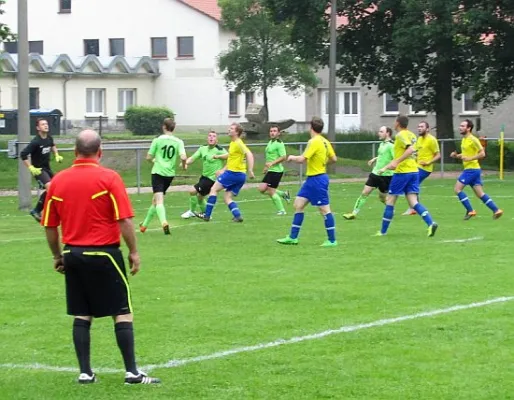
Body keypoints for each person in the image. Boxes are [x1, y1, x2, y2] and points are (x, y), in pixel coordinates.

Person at [41, 129, 160, 385]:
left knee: (82, 313)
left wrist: (56, 256)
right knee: (122, 311)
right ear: (100, 152)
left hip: (73, 253)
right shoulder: (109, 178)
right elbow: (124, 220)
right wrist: (134, 252)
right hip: (104, 253)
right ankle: (132, 373)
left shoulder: (57, 182)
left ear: (74, 152)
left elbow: (50, 226)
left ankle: (85, 373)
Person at [277, 117, 338, 247]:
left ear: (311, 127)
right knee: (298, 204)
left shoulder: (314, 141)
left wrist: (292, 157)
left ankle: (332, 240)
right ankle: (293, 237)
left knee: (324, 209)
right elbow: (334, 158)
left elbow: (302, 159)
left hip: (318, 179)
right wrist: (323, 163)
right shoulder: (325, 141)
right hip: (312, 179)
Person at [376, 114, 438, 237]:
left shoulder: (401, 135)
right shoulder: (412, 135)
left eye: (395, 121)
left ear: (398, 123)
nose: (394, 124)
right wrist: (386, 167)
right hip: (414, 170)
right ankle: (431, 223)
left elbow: (409, 150)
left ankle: (382, 232)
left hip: (403, 172)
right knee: (413, 201)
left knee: (390, 200)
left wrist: (397, 162)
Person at [197, 123, 255, 222]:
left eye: (231, 128)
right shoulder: (233, 143)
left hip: (233, 173)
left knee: (213, 189)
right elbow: (231, 156)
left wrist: (250, 169)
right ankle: (237, 216)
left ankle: (207, 215)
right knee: (227, 197)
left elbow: (249, 154)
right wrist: (219, 158)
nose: (229, 129)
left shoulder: (238, 143)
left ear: (237, 132)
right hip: (241, 176)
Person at [139, 118, 186, 234]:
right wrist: (184, 165)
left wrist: (155, 161)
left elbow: (148, 157)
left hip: (158, 172)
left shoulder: (157, 140)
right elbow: (184, 157)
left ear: (164, 127)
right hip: (169, 174)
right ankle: (144, 226)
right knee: (155, 200)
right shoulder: (178, 141)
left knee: (159, 200)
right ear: (173, 128)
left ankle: (164, 222)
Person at [450, 119, 503, 220]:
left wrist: (470, 158)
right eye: (460, 126)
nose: (460, 128)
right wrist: (456, 156)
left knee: (457, 189)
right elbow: (466, 155)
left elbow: (482, 154)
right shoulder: (464, 139)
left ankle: (470, 210)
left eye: (462, 126)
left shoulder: (473, 139)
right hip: (473, 170)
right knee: (480, 194)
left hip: (471, 170)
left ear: (469, 128)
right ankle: (496, 210)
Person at [343, 126, 394, 220]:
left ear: (388, 133)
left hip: (386, 176)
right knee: (364, 193)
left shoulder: (391, 145)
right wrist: (375, 159)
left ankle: (390, 210)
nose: (379, 133)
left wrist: (385, 168)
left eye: (381, 131)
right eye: (379, 131)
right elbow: (383, 155)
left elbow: (395, 160)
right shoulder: (382, 144)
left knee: (382, 198)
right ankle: (353, 213)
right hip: (375, 173)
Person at [20, 118, 64, 222]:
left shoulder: (49, 138)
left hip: (47, 168)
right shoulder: (35, 142)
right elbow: (23, 155)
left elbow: (53, 145)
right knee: (50, 187)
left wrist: (57, 155)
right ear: (38, 128)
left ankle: (38, 210)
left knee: (57, 188)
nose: (46, 125)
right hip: (39, 170)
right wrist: (31, 167)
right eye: (43, 124)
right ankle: (39, 210)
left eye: (46, 123)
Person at [180, 130, 227, 219]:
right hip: (204, 177)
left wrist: (223, 171)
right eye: (209, 136)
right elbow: (193, 158)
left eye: (214, 136)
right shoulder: (203, 148)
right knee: (199, 197)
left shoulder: (220, 150)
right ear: (207, 138)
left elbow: (231, 159)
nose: (211, 138)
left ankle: (192, 211)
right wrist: (185, 163)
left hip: (212, 178)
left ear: (217, 140)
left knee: (192, 191)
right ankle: (206, 213)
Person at [403, 121, 441, 215]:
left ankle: (414, 208)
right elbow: (414, 151)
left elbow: (438, 155)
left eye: (422, 127)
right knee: (410, 185)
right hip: (416, 166)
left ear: (427, 129)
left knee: (410, 184)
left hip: (425, 168)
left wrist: (428, 162)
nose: (419, 128)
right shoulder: (419, 139)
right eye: (418, 126)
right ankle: (415, 207)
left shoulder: (432, 140)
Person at [258, 125, 291, 215]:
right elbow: (269, 157)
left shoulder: (279, 143)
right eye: (271, 131)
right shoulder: (270, 142)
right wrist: (266, 167)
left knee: (271, 191)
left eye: (274, 131)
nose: (272, 133)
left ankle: (282, 210)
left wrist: (272, 163)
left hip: (277, 171)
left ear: (278, 133)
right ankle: (284, 194)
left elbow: (283, 157)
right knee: (261, 189)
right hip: (271, 170)